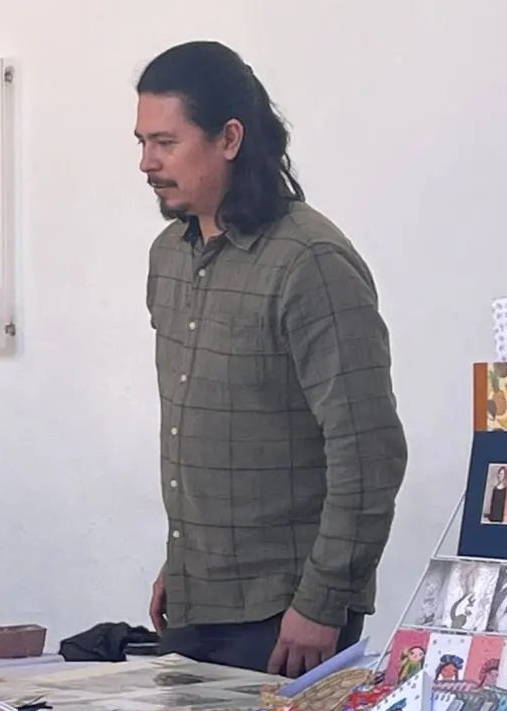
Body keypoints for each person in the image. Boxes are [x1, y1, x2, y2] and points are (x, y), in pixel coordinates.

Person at [137, 41, 408, 676]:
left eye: (165, 142)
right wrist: (180, 563)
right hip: (194, 604)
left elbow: (368, 451)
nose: (146, 163)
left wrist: (321, 603)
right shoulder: (167, 257)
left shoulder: (310, 261)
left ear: (229, 138)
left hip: (287, 617)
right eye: (142, 141)